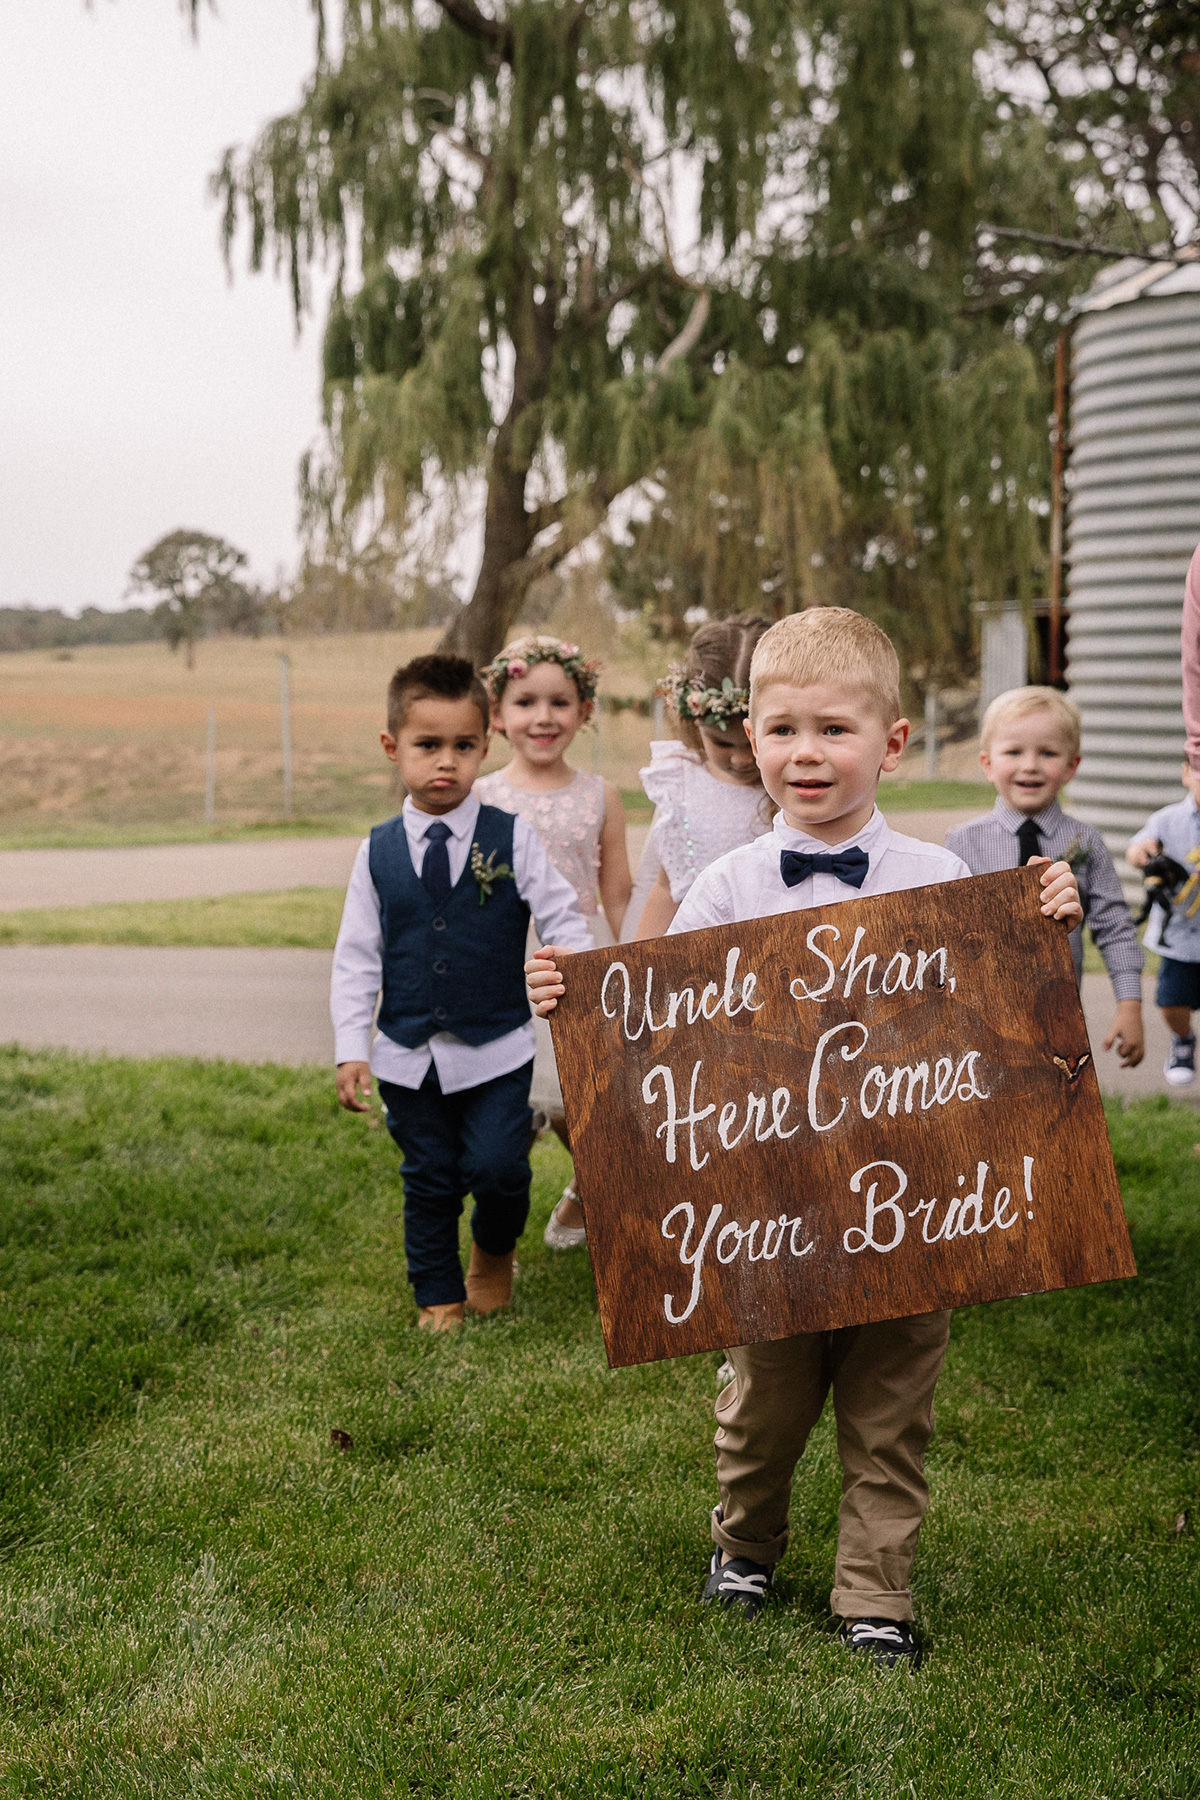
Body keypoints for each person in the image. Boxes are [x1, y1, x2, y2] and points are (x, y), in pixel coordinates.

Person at [526, 608, 1083, 1667]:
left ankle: (875, 1593)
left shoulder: (938, 880)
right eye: (782, 730)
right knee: (763, 1403)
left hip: (913, 1207)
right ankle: (745, 1540)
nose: (806, 754)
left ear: (895, 742)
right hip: (770, 1208)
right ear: (751, 739)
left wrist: (1043, 918)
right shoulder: (729, 884)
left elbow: (1008, 1020)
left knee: (891, 1412)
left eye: (835, 729)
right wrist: (572, 997)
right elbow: (658, 1017)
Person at [331, 653, 592, 1332]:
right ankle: (437, 1294)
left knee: (500, 1167)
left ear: (487, 742)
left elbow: (563, 915)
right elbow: (357, 956)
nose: (445, 762)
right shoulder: (378, 851)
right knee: (430, 1176)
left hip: (496, 1048)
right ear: (394, 749)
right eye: (427, 746)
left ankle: (494, 1252)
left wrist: (566, 964)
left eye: (463, 746)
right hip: (406, 1055)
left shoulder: (511, 838)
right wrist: (349, 1047)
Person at [476, 634, 633, 1250]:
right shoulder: (484, 796)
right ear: (496, 714)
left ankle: (591, 1184)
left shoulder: (601, 796)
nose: (543, 717)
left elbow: (617, 892)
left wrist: (635, 969)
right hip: (503, 964)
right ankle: (495, 1243)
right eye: (525, 702)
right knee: (509, 1113)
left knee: (579, 1103)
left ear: (584, 712)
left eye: (560, 703)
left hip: (576, 962)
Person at [945, 686, 1144, 1070]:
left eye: (1048, 753)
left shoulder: (1085, 843)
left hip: (1060, 1019)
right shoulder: (961, 841)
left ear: (1072, 765)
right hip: (979, 1017)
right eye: (1014, 752)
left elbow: (1115, 926)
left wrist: (1130, 1004)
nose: (1030, 765)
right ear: (987, 763)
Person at [628, 615, 774, 941]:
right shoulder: (683, 785)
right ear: (693, 721)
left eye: (754, 742)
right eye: (721, 742)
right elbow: (668, 888)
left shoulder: (795, 788)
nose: (741, 759)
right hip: (698, 961)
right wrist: (640, 967)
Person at [1127, 760, 1200, 1086]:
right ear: (1186, 773)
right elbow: (1136, 848)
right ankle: (1183, 1039)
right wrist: (1141, 854)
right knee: (1171, 1002)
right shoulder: (1166, 820)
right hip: (1179, 936)